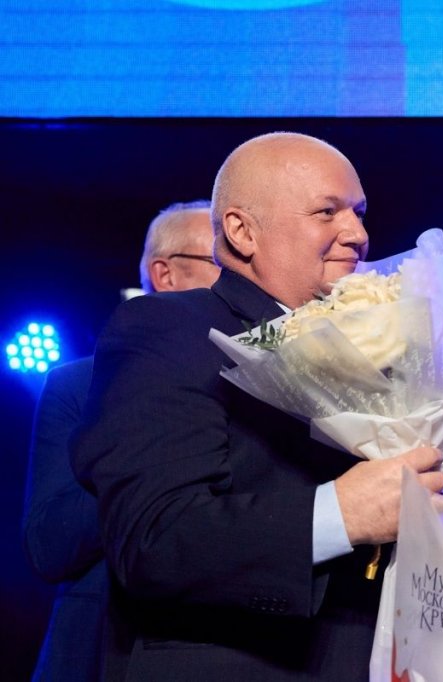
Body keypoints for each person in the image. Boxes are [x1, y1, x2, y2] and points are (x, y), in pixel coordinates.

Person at [71, 132, 443, 681]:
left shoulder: (386, 344)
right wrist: (339, 514)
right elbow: (153, 539)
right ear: (242, 232)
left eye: (360, 213)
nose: (358, 235)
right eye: (328, 212)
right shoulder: (169, 329)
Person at [22, 201, 220, 682]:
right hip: (100, 651)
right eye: (219, 262)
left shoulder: (262, 387)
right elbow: (50, 546)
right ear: (165, 274)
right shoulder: (78, 385)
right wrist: (151, 455)